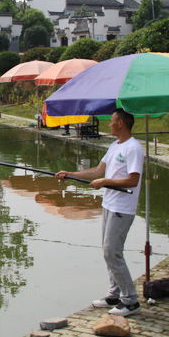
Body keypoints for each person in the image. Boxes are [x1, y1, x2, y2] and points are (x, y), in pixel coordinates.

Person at [54, 109, 144, 317]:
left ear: (121, 123)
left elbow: (133, 180)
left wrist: (105, 182)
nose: (109, 124)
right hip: (109, 204)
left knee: (112, 252)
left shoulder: (133, 148)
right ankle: (114, 294)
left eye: (112, 121)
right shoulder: (115, 146)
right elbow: (96, 171)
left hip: (123, 208)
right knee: (108, 250)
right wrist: (70, 174)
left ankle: (130, 301)